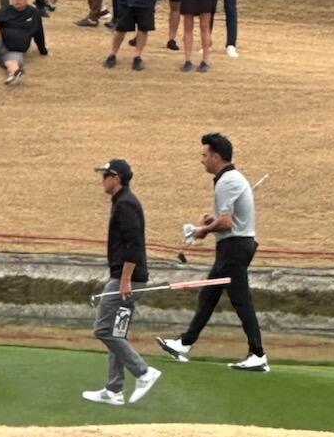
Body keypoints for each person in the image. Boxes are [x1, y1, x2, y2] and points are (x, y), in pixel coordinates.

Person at [157, 133, 269, 372]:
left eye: (204, 155)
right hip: (235, 246)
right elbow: (228, 219)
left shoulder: (226, 181)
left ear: (216, 157)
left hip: (235, 247)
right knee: (209, 296)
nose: (202, 160)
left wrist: (202, 230)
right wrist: (212, 222)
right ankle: (184, 344)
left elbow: (227, 223)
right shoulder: (230, 179)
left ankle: (258, 354)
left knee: (241, 301)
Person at [83, 159, 161, 407]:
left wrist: (125, 279)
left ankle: (143, 372)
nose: (102, 179)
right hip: (129, 278)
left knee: (103, 330)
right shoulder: (123, 201)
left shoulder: (126, 204)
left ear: (116, 177)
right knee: (117, 333)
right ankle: (114, 389)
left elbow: (134, 245)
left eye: (105, 175)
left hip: (125, 279)